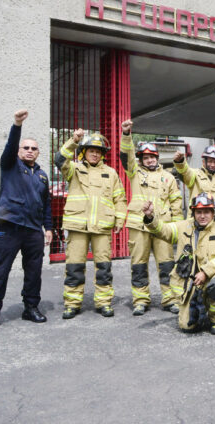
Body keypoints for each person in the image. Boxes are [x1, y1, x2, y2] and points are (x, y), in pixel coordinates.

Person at [0, 109, 53, 332]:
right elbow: (10, 146)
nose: (30, 151)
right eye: (26, 148)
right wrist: (17, 125)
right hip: (9, 228)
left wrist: (48, 228)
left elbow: (46, 204)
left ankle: (30, 307)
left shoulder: (42, 176)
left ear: (38, 152)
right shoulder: (10, 165)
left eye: (34, 148)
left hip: (33, 231)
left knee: (33, 272)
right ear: (19, 150)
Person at [55, 129, 127, 319]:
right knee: (74, 267)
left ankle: (104, 302)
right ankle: (72, 304)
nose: (95, 154)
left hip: (102, 227)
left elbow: (120, 199)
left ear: (102, 154)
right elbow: (59, 159)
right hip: (78, 226)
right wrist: (73, 140)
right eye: (91, 150)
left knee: (103, 268)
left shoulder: (111, 173)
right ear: (84, 152)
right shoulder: (74, 169)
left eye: (98, 151)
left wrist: (120, 219)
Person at [143, 192, 215, 335]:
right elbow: (164, 230)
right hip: (192, 282)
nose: (202, 216)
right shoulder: (184, 226)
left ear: (213, 212)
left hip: (213, 277)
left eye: (206, 212)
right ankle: (203, 308)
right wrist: (150, 217)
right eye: (199, 212)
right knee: (187, 326)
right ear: (193, 213)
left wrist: (206, 272)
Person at [120, 120, 183, 316]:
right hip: (139, 226)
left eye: (152, 157)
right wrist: (126, 134)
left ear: (157, 157)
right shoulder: (134, 173)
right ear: (140, 160)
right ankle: (140, 300)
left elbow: (176, 203)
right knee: (139, 264)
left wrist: (178, 228)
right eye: (145, 158)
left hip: (162, 227)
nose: (149, 160)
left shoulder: (169, 177)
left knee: (167, 264)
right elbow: (126, 155)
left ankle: (170, 299)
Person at [173, 144, 215, 228]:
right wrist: (180, 162)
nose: (212, 165)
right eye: (210, 161)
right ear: (204, 162)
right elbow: (185, 172)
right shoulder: (195, 174)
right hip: (198, 226)